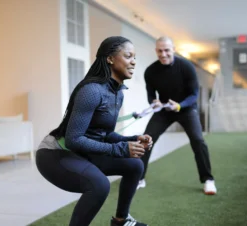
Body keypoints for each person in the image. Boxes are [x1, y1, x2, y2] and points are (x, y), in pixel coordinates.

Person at [35, 36, 152, 226]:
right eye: (128, 56)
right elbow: (73, 139)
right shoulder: (92, 91)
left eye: (135, 57)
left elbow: (104, 134)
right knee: (99, 185)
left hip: (82, 151)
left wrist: (132, 139)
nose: (133, 62)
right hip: (56, 153)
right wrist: (120, 149)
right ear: (110, 58)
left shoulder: (117, 93)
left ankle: (121, 221)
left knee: (135, 166)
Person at [138, 36, 217, 195]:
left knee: (198, 140)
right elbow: (151, 96)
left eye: (167, 50)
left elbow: (194, 94)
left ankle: (208, 180)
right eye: (160, 51)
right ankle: (139, 178)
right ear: (156, 51)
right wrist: (155, 103)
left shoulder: (187, 67)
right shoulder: (150, 71)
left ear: (173, 49)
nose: (163, 54)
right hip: (165, 111)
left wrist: (180, 105)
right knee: (146, 139)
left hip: (186, 109)